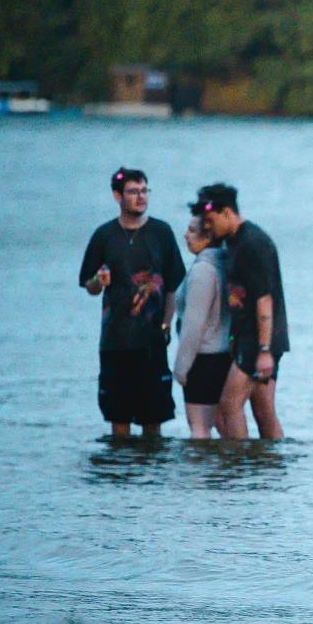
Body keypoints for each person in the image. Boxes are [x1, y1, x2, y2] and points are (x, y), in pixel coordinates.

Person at [78, 167, 186, 438]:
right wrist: (98, 281)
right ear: (118, 196)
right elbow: (89, 286)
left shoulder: (161, 232)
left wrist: (166, 325)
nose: (141, 197)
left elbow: (174, 285)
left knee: (154, 419)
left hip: (151, 342)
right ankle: (120, 463)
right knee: (119, 418)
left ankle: (150, 465)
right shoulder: (104, 235)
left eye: (144, 191)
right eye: (133, 192)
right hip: (115, 341)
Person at [193, 183, 288, 440]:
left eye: (211, 220)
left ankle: (238, 459)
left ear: (226, 212)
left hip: (258, 339)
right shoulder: (232, 242)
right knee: (264, 411)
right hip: (250, 337)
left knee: (229, 405)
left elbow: (264, 300)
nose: (208, 227)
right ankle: (269, 461)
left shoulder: (252, 243)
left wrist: (265, 350)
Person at [172, 214, 231, 439]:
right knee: (223, 425)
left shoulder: (203, 270)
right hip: (225, 356)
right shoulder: (227, 264)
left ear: (207, 237)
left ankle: (201, 465)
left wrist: (181, 367)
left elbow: (194, 324)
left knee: (199, 429)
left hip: (204, 359)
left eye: (191, 231)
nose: (185, 235)